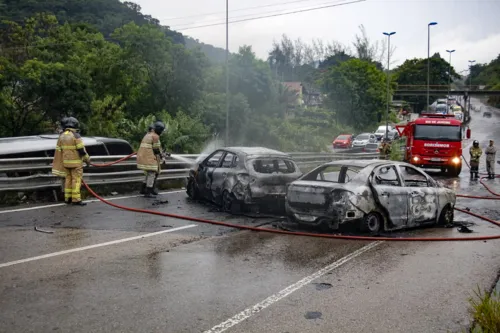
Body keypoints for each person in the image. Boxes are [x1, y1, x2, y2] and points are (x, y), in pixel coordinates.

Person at [57, 117, 90, 205]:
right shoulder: (76, 135)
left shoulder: (62, 135)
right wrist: (87, 160)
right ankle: (76, 199)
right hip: (76, 163)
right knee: (76, 180)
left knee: (68, 180)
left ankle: (67, 198)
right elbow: (81, 150)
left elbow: (59, 150)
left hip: (65, 163)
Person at [137, 121, 169, 197]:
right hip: (149, 158)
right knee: (152, 173)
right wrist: (162, 156)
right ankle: (148, 192)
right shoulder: (155, 137)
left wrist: (162, 154)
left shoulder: (148, 135)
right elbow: (156, 150)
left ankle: (143, 190)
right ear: (159, 130)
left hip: (142, 158)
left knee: (149, 174)